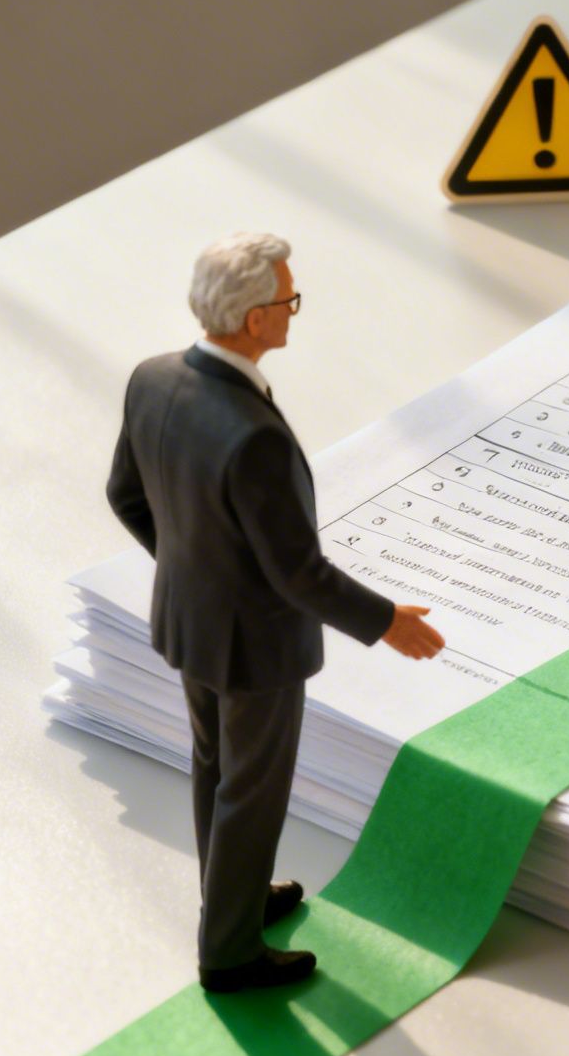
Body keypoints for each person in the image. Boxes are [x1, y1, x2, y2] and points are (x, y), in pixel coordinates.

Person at [105, 233, 444, 992]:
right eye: (288, 301)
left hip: (188, 624)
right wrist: (386, 620)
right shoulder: (251, 433)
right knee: (251, 792)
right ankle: (229, 950)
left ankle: (232, 898)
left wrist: (193, 572)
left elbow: (126, 496)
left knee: (213, 769)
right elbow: (297, 572)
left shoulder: (152, 379)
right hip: (254, 647)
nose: (293, 313)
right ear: (255, 319)